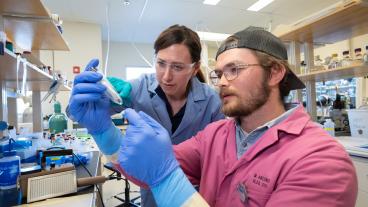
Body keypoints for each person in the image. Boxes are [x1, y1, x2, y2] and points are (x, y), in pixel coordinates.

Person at [115, 27, 357, 206]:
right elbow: (145, 167)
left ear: (274, 73)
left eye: (234, 70)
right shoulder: (214, 135)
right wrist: (105, 133)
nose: (221, 82)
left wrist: (167, 179)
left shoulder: (322, 161)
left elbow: (160, 173)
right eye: (219, 74)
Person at [67, 24, 224, 206]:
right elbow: (80, 114)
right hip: (149, 190)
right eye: (161, 63)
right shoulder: (139, 87)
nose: (166, 76)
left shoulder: (212, 100)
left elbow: (216, 159)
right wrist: (82, 102)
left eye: (178, 67)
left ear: (195, 68)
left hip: (192, 193)